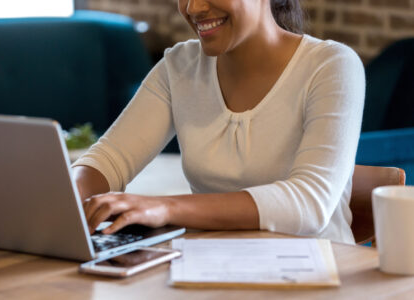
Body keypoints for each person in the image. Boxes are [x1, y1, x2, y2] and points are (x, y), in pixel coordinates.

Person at [72, 0, 365, 244]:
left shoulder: (331, 66)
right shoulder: (179, 67)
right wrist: (61, 196)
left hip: (318, 276)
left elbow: (309, 203)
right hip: (212, 269)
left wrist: (164, 207)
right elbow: (109, 159)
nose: (193, 7)